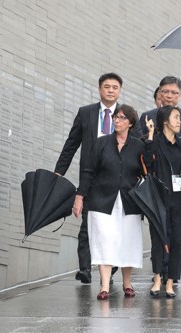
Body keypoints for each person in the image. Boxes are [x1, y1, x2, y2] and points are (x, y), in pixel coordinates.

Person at [54, 72, 142, 284]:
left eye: (115, 87)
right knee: (88, 224)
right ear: (99, 89)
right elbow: (71, 143)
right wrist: (59, 171)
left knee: (114, 228)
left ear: (119, 91)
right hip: (92, 176)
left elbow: (137, 148)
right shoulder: (86, 113)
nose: (111, 90)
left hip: (117, 180)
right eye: (106, 86)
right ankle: (85, 268)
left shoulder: (128, 115)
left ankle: (109, 268)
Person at [75, 105, 144, 300]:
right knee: (104, 240)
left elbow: (148, 169)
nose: (116, 120)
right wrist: (80, 196)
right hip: (101, 200)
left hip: (129, 202)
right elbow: (89, 171)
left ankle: (127, 283)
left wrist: (153, 139)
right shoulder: (101, 143)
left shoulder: (138, 145)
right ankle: (104, 286)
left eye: (122, 118)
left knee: (127, 241)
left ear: (130, 123)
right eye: (115, 117)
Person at [143, 105, 181, 298]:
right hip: (159, 199)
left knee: (177, 240)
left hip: (180, 199)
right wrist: (150, 136)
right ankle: (158, 278)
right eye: (176, 117)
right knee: (159, 240)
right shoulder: (154, 141)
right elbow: (147, 162)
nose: (180, 121)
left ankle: (170, 281)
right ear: (165, 121)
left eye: (180, 118)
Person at [140, 76, 181, 141]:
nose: (169, 96)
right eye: (165, 91)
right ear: (159, 93)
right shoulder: (147, 116)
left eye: (174, 92)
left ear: (179, 95)